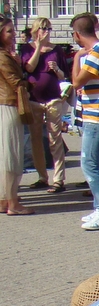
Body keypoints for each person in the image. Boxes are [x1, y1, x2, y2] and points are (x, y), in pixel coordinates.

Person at [70, 12, 99, 231]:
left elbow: (76, 81)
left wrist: (76, 58)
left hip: (97, 115)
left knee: (89, 163)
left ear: (77, 34)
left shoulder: (96, 54)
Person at [20, 17, 68, 193]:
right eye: (43, 28)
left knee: (55, 138)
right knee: (36, 139)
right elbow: (29, 68)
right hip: (34, 99)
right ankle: (42, 177)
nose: (46, 32)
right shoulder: (27, 49)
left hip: (53, 98)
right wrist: (38, 47)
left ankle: (59, 179)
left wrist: (56, 69)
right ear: (35, 31)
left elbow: (63, 75)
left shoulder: (57, 50)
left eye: (48, 28)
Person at [0, 17, 34, 215]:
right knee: (11, 156)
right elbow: (16, 82)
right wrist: (30, 84)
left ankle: (4, 200)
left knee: (6, 155)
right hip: (9, 105)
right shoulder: (3, 57)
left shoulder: (6, 54)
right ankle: (12, 202)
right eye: (9, 31)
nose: (14, 34)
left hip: (6, 105)